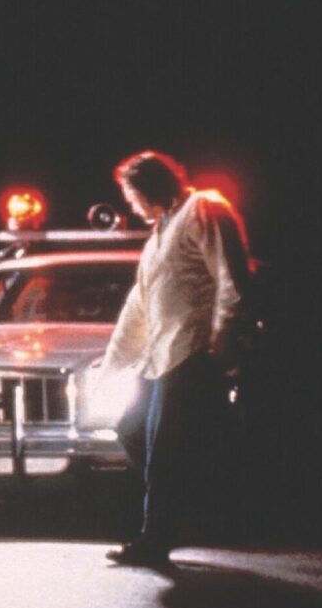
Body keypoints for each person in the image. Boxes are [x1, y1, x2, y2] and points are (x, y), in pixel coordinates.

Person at [96, 150, 253, 568]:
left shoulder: (203, 208)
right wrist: (112, 365)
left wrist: (224, 334)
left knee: (165, 449)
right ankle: (187, 507)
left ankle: (155, 538)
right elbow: (138, 310)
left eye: (131, 194)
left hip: (192, 350)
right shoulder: (158, 235)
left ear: (148, 188)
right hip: (160, 356)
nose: (130, 203)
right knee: (130, 428)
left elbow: (230, 275)